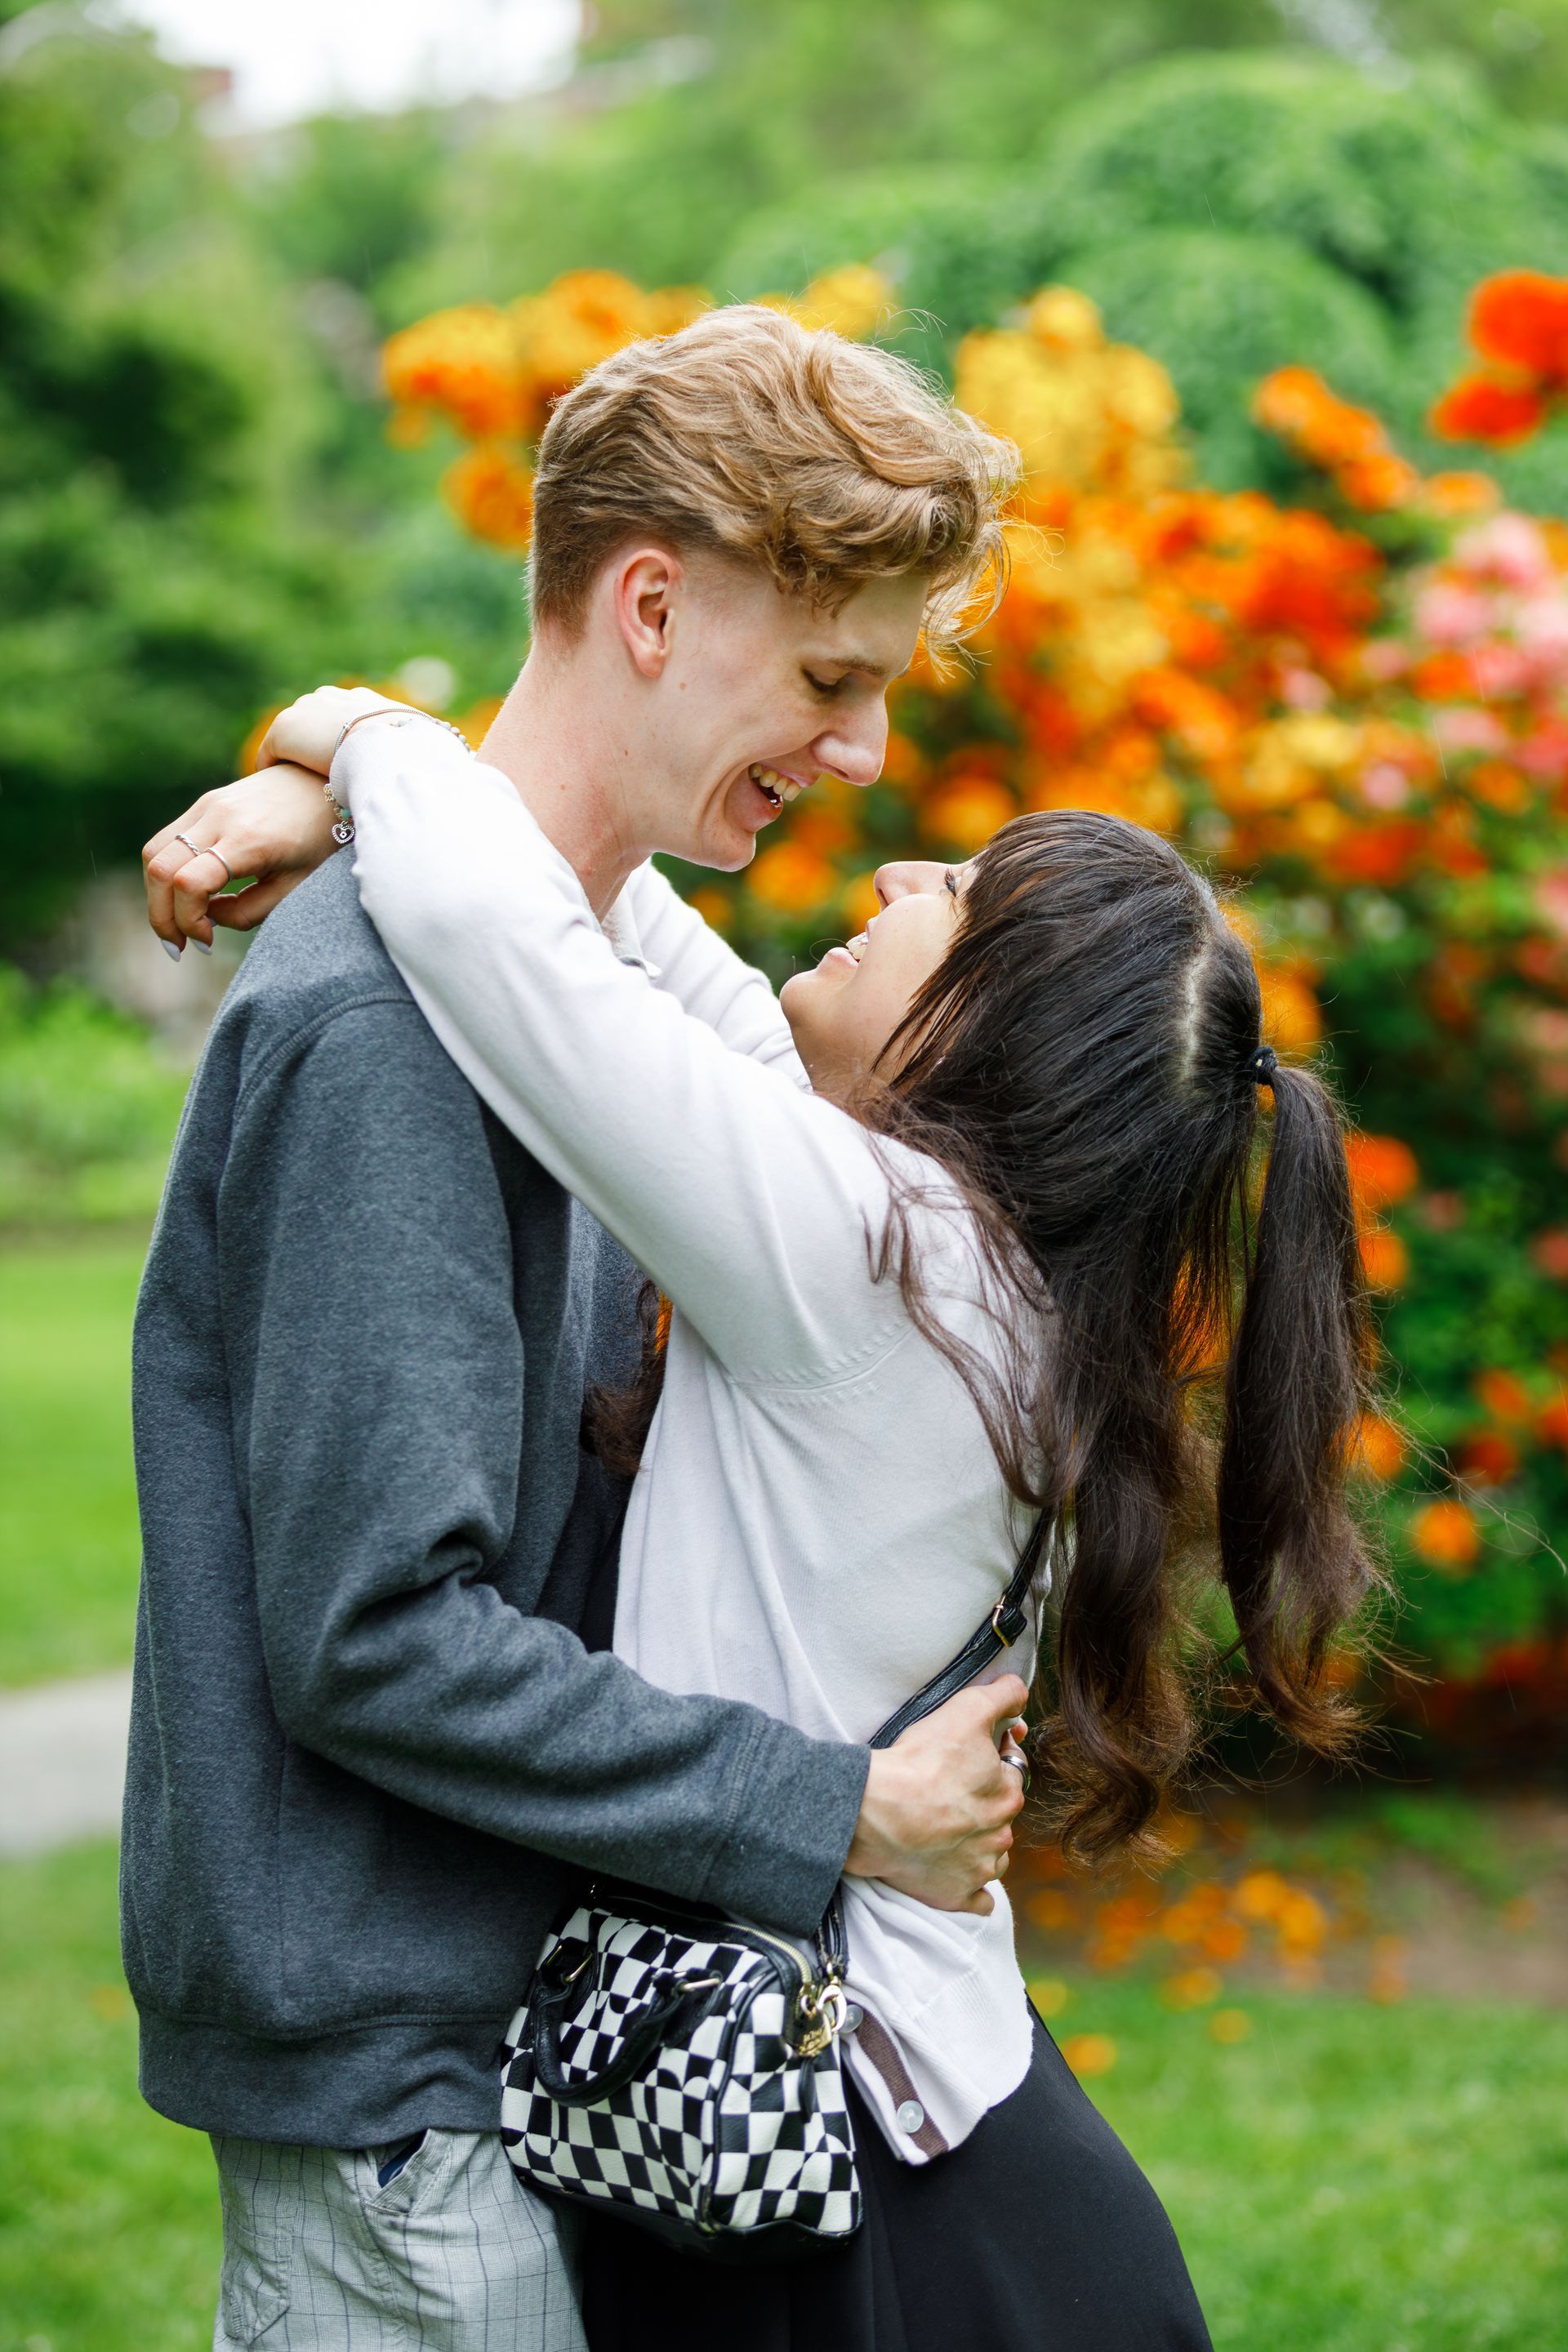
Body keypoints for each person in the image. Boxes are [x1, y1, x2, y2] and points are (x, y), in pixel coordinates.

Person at [147, 306, 1379, 2350]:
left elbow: (538, 931)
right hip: (478, 2085)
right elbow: (573, 933)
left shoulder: (851, 1228)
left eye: (945, 892)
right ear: (654, 603)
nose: (874, 782)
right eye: (831, 677)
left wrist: (345, 739)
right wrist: (355, 781)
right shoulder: (474, 1055)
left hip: (712, 2108)